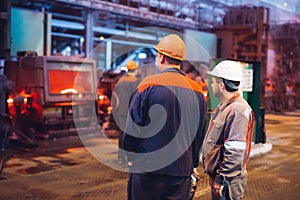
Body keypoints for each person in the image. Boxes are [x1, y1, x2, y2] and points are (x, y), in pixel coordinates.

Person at [123, 34, 207, 200]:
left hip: (147, 171)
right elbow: (199, 133)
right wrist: (193, 163)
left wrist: (131, 156)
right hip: (181, 171)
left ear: (161, 57)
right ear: (180, 61)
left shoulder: (148, 85)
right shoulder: (197, 91)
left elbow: (132, 128)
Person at [202, 60, 255, 200]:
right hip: (221, 179)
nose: (211, 85)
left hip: (228, 183)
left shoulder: (238, 110)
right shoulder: (225, 107)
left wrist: (221, 179)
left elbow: (235, 151)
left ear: (221, 84)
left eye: (213, 81)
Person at [112, 60, 140, 165]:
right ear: (135, 70)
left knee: (122, 133)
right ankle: (130, 158)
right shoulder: (135, 81)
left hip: (120, 111)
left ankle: (121, 157)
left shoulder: (120, 80)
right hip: (130, 111)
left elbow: (115, 96)